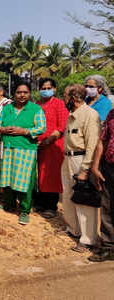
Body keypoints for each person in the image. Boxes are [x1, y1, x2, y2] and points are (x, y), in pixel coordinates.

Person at [0, 81, 46, 225]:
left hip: (26, 150)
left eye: (25, 92)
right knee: (7, 177)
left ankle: (24, 211)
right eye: (18, 92)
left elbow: (41, 128)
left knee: (24, 181)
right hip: (7, 148)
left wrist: (25, 131)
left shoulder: (36, 109)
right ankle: (8, 205)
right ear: (14, 94)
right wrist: (3, 129)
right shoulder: (7, 108)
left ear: (29, 94)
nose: (22, 95)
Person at [61, 84, 100, 252]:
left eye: (65, 95)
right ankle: (73, 229)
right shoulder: (73, 115)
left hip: (81, 159)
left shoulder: (90, 115)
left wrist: (85, 169)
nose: (64, 99)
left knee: (84, 199)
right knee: (69, 195)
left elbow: (92, 143)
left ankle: (87, 239)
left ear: (73, 97)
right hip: (68, 158)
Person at [34, 78, 69, 218]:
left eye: (48, 87)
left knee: (51, 175)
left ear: (54, 89)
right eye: (42, 87)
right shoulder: (36, 105)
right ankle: (39, 202)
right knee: (38, 175)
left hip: (53, 145)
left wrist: (47, 141)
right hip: (36, 145)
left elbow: (62, 127)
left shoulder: (59, 104)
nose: (45, 90)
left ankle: (51, 206)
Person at [89, 109, 114, 261]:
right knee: (107, 206)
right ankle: (109, 247)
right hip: (110, 167)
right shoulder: (112, 114)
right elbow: (102, 141)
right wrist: (96, 165)